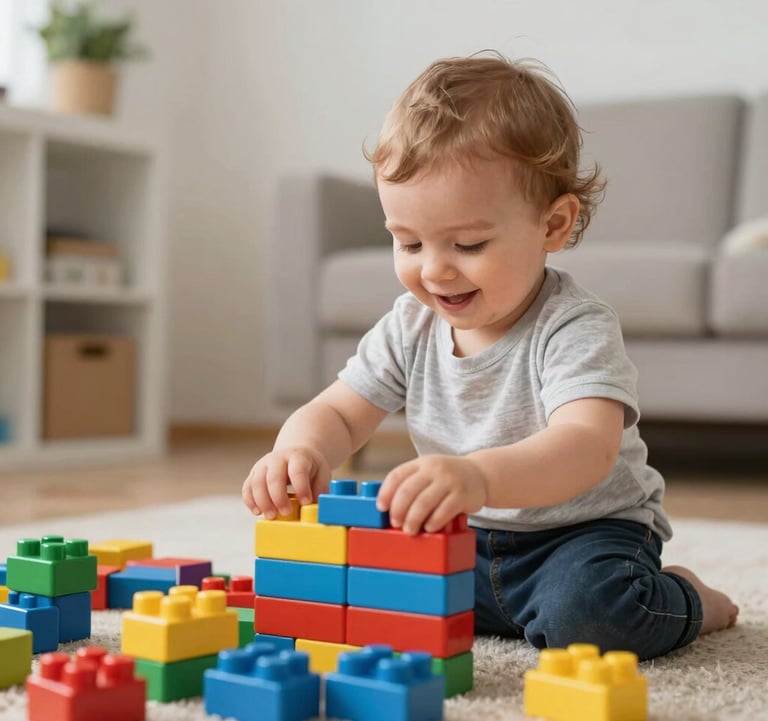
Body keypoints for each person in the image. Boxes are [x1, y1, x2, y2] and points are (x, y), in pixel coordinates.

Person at [242, 52, 738, 660]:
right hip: (459, 535)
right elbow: (341, 413)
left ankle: (686, 598)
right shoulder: (410, 326)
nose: (434, 269)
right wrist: (299, 449)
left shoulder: (574, 326)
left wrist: (479, 476)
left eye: (469, 244)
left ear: (552, 226)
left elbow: (587, 446)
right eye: (408, 242)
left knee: (592, 618)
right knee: (360, 590)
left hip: (579, 537)